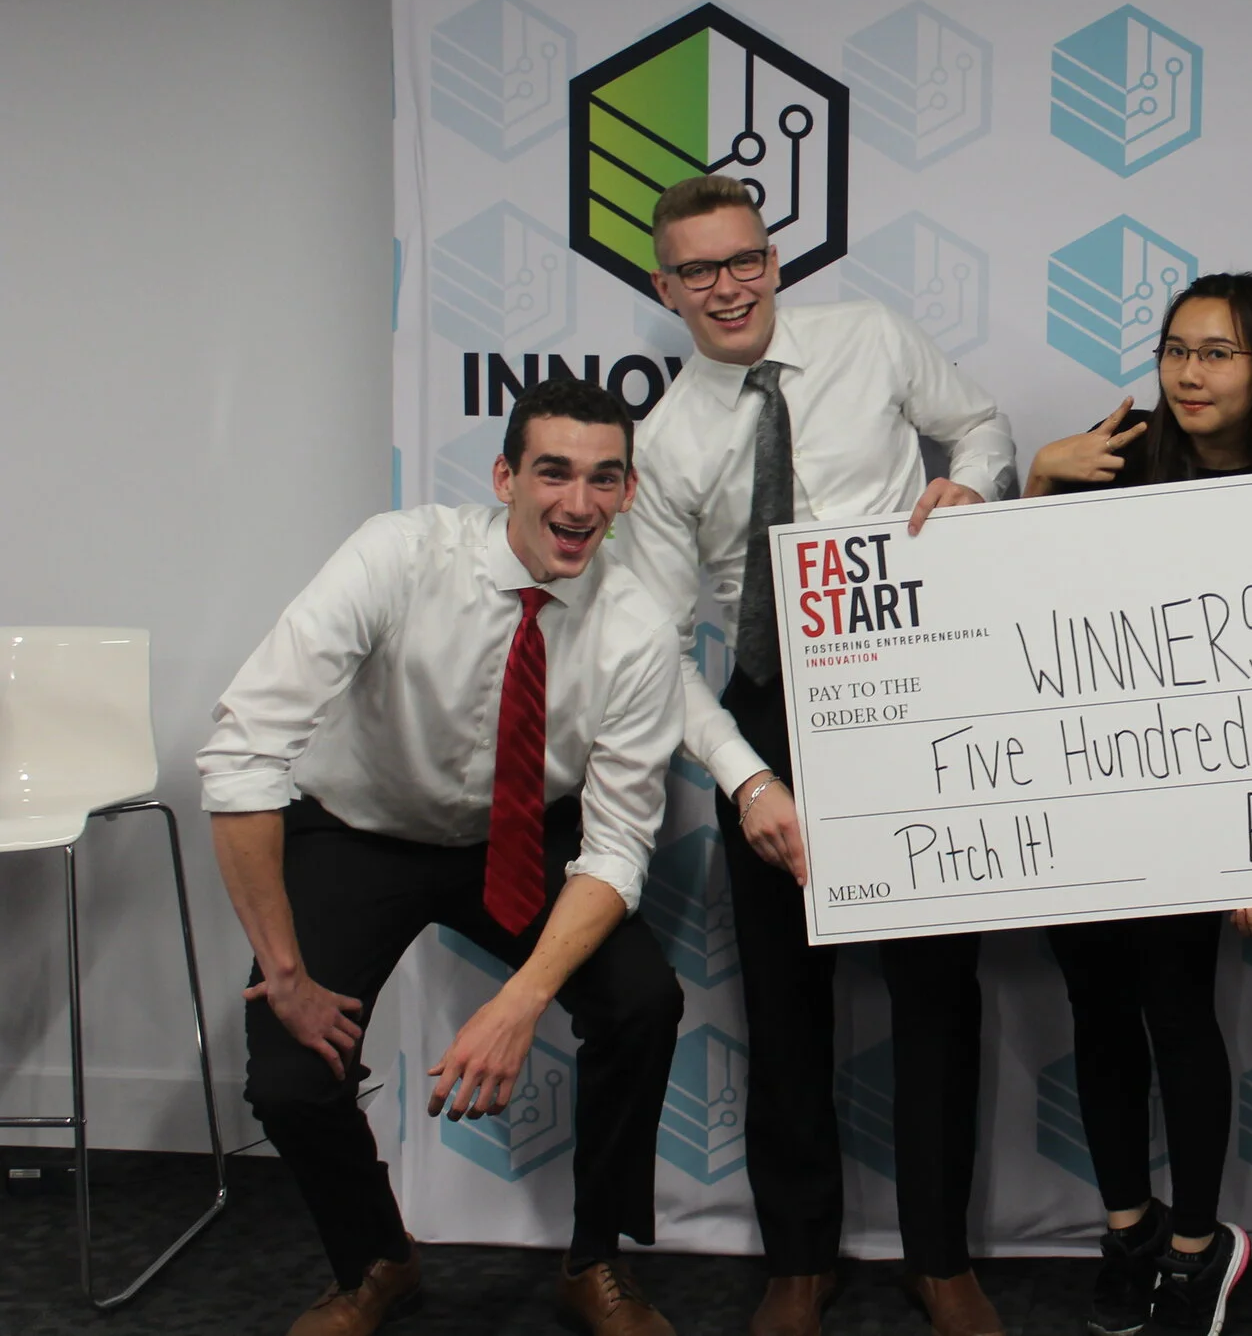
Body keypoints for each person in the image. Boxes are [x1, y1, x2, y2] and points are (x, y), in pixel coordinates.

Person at [616, 173, 1016, 1336]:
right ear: (666, 288)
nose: (727, 285)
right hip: (768, 716)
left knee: (936, 993)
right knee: (785, 1005)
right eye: (698, 269)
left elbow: (982, 425)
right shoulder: (663, 441)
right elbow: (655, 647)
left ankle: (940, 1255)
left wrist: (970, 482)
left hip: (915, 691)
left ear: (773, 260)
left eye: (744, 258)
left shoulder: (871, 336)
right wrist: (747, 778)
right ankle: (798, 1257)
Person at [200, 378, 686, 1336]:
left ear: (629, 492)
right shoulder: (397, 554)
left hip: (520, 834)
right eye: (553, 472)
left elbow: (619, 845)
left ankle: (596, 1259)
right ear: (505, 477)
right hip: (360, 827)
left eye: (604, 477)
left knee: (642, 1002)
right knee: (290, 1079)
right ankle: (375, 1258)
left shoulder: (638, 629)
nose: (578, 502)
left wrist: (521, 1000)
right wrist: (287, 976)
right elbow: (241, 756)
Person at [1023, 272, 1252, 1336]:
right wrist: (1038, 482)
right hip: (1085, 790)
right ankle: (1128, 1230)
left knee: (1177, 1010)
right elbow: (1014, 612)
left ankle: (1198, 1245)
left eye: (1217, 352)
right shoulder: (1115, 454)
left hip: (1204, 804)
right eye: (1175, 348)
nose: (1189, 372)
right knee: (1095, 1008)